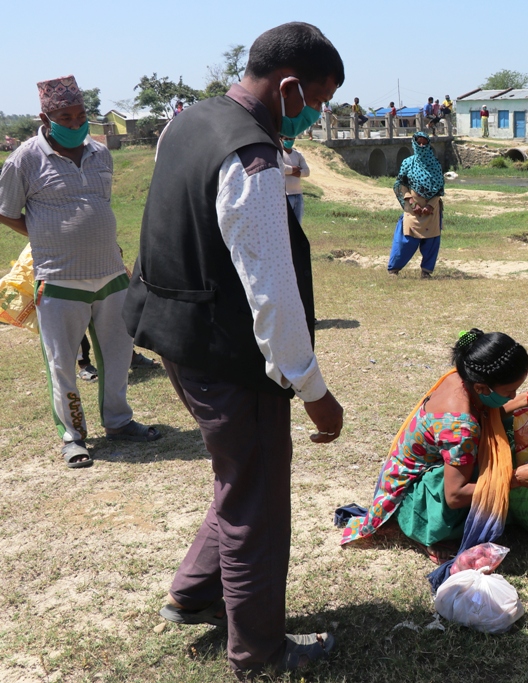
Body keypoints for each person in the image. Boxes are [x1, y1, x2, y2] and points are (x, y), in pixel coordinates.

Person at [122, 23, 346, 678]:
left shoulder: (190, 122)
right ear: (288, 88)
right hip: (227, 356)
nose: (316, 115)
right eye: (316, 101)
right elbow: (271, 295)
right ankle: (260, 653)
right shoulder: (252, 160)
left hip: (176, 332)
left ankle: (194, 591)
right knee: (256, 499)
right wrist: (313, 389)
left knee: (236, 473)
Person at [0, 74, 161, 470]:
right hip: (58, 280)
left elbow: (99, 205)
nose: (74, 125)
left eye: (80, 116)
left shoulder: (100, 153)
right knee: (62, 362)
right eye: (65, 118)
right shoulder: (24, 159)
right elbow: (6, 211)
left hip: (110, 274)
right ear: (45, 116)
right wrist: (44, 234)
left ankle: (120, 422)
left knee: (119, 355)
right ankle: (72, 437)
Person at [336, 329, 528, 561]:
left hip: (413, 470)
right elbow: (455, 495)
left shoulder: (461, 375)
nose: (512, 395)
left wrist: (525, 400)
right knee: (496, 463)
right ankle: (426, 529)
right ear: (481, 388)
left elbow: (488, 413)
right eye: (508, 391)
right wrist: (514, 479)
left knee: (498, 447)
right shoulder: (461, 427)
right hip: (412, 493)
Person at [387, 132, 444, 278]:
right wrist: (412, 202)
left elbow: (439, 190)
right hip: (412, 209)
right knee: (406, 240)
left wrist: (430, 206)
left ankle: (426, 272)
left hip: (432, 209)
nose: (422, 145)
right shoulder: (408, 163)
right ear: (414, 143)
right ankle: (394, 270)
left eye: (425, 143)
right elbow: (401, 185)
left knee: (431, 240)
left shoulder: (435, 165)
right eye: (419, 142)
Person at [282, 138, 310, 223]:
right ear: (281, 139)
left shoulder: (298, 155)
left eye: (291, 138)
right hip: (286, 195)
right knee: (286, 223)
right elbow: (282, 169)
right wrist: (297, 168)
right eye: (286, 139)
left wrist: (289, 171)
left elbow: (306, 172)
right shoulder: (279, 154)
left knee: (298, 223)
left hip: (298, 195)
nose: (289, 140)